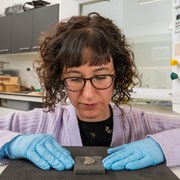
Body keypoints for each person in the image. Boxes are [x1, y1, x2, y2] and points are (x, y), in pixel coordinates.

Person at [0, 12, 180, 171]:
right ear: (59, 79)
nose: (88, 94)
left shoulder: (140, 122)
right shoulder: (42, 121)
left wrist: (161, 145)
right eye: (75, 79)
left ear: (117, 74)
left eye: (100, 77)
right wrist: (12, 144)